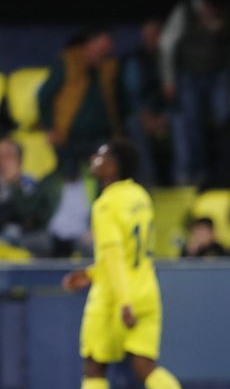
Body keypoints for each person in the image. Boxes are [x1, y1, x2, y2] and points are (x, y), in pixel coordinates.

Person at [53, 140, 208, 389]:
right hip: (146, 288)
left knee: (94, 364)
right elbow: (129, 252)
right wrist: (91, 273)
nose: (95, 159)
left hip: (115, 298)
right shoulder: (140, 196)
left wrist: (121, 300)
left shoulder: (106, 204)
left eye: (104, 156)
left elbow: (113, 255)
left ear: (117, 166)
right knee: (145, 366)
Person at [161, 0, 230, 184]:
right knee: (190, 124)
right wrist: (168, 79)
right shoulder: (185, 10)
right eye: (209, 7)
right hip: (189, 75)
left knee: (225, 125)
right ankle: (194, 174)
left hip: (220, 75)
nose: (212, 13)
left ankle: (226, 173)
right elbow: (166, 43)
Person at [38, 28, 122, 179]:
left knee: (106, 172)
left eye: (106, 51)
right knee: (69, 180)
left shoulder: (108, 67)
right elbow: (44, 95)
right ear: (88, 45)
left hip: (99, 138)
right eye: (100, 49)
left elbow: (118, 102)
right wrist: (49, 127)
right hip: (68, 137)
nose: (103, 54)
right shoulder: (69, 62)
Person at [121, 19, 170, 186]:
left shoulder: (170, 59)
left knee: (182, 121)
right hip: (142, 114)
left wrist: (163, 116)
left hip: (166, 113)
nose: (153, 37)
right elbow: (132, 94)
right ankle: (147, 181)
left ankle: (185, 176)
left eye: (156, 33)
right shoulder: (135, 60)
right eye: (149, 33)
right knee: (134, 125)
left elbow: (176, 93)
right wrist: (145, 116)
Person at [0, 138, 59, 256]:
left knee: (42, 240)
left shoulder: (30, 183)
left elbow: (31, 216)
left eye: (8, 156)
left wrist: (15, 185)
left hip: (27, 236)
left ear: (19, 160)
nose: (2, 161)